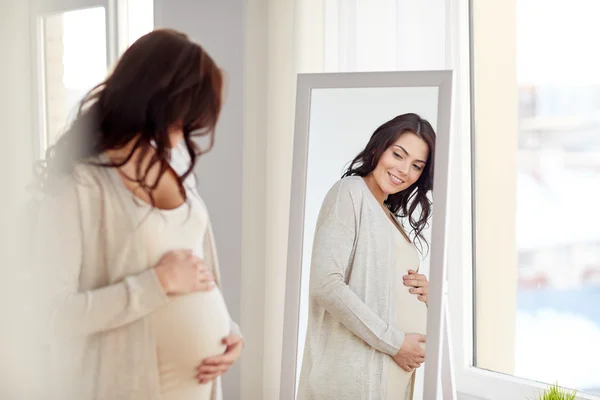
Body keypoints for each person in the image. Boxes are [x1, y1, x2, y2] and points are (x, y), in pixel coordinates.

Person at [29, 29, 242, 400]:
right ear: (156, 100)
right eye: (184, 113)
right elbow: (51, 315)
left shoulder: (175, 166)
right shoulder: (78, 185)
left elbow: (194, 267)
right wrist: (155, 285)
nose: (187, 128)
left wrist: (228, 331)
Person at [297, 113, 435, 399]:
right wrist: (396, 343)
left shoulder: (386, 212)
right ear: (377, 148)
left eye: (416, 166)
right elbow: (326, 284)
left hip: (390, 374)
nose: (404, 170)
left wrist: (424, 292)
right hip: (357, 374)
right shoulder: (350, 192)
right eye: (398, 154)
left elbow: (380, 284)